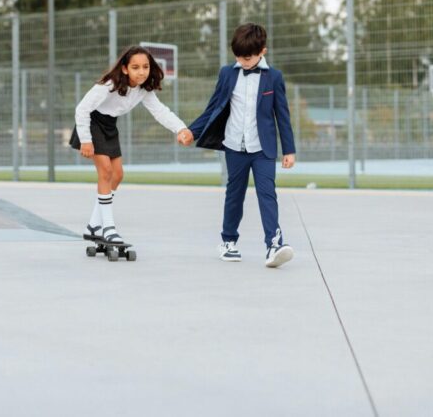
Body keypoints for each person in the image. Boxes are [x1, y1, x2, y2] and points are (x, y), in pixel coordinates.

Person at [186, 23, 296, 268]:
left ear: (262, 52)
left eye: (248, 57)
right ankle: (228, 241)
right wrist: (191, 131)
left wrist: (289, 150)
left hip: (263, 148)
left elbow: (282, 115)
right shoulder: (227, 73)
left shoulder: (274, 77)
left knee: (267, 194)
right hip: (235, 146)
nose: (243, 62)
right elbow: (213, 107)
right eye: (238, 56)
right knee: (234, 195)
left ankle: (274, 245)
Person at [70, 46, 193, 245]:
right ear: (125, 69)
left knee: (118, 175)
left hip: (109, 126)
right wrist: (85, 139)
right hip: (92, 124)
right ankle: (108, 228)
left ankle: (93, 225)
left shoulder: (144, 89)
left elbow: (160, 111)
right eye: (136, 67)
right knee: (106, 171)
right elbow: (82, 109)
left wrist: (180, 129)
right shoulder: (109, 85)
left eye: (145, 67)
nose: (142, 71)